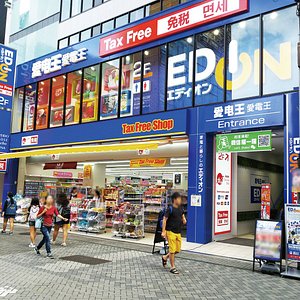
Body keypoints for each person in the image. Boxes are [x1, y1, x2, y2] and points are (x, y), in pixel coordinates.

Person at [161, 192, 187, 275]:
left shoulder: (180, 208)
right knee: (172, 250)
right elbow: (164, 219)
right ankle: (172, 267)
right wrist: (163, 231)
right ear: (175, 199)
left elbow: (182, 215)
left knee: (177, 250)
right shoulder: (170, 209)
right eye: (179, 199)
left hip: (178, 232)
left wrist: (184, 219)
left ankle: (165, 257)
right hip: (170, 231)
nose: (180, 200)